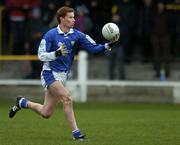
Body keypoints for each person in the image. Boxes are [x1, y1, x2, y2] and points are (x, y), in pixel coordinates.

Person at [8, 6, 119, 140]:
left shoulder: (77, 35)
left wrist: (108, 45)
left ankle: (22, 102)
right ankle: (76, 134)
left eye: (73, 17)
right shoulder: (50, 34)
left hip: (62, 76)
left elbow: (93, 47)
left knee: (46, 113)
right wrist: (57, 53)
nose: (74, 19)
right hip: (49, 73)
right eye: (71, 17)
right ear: (62, 19)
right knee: (67, 98)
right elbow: (41, 55)